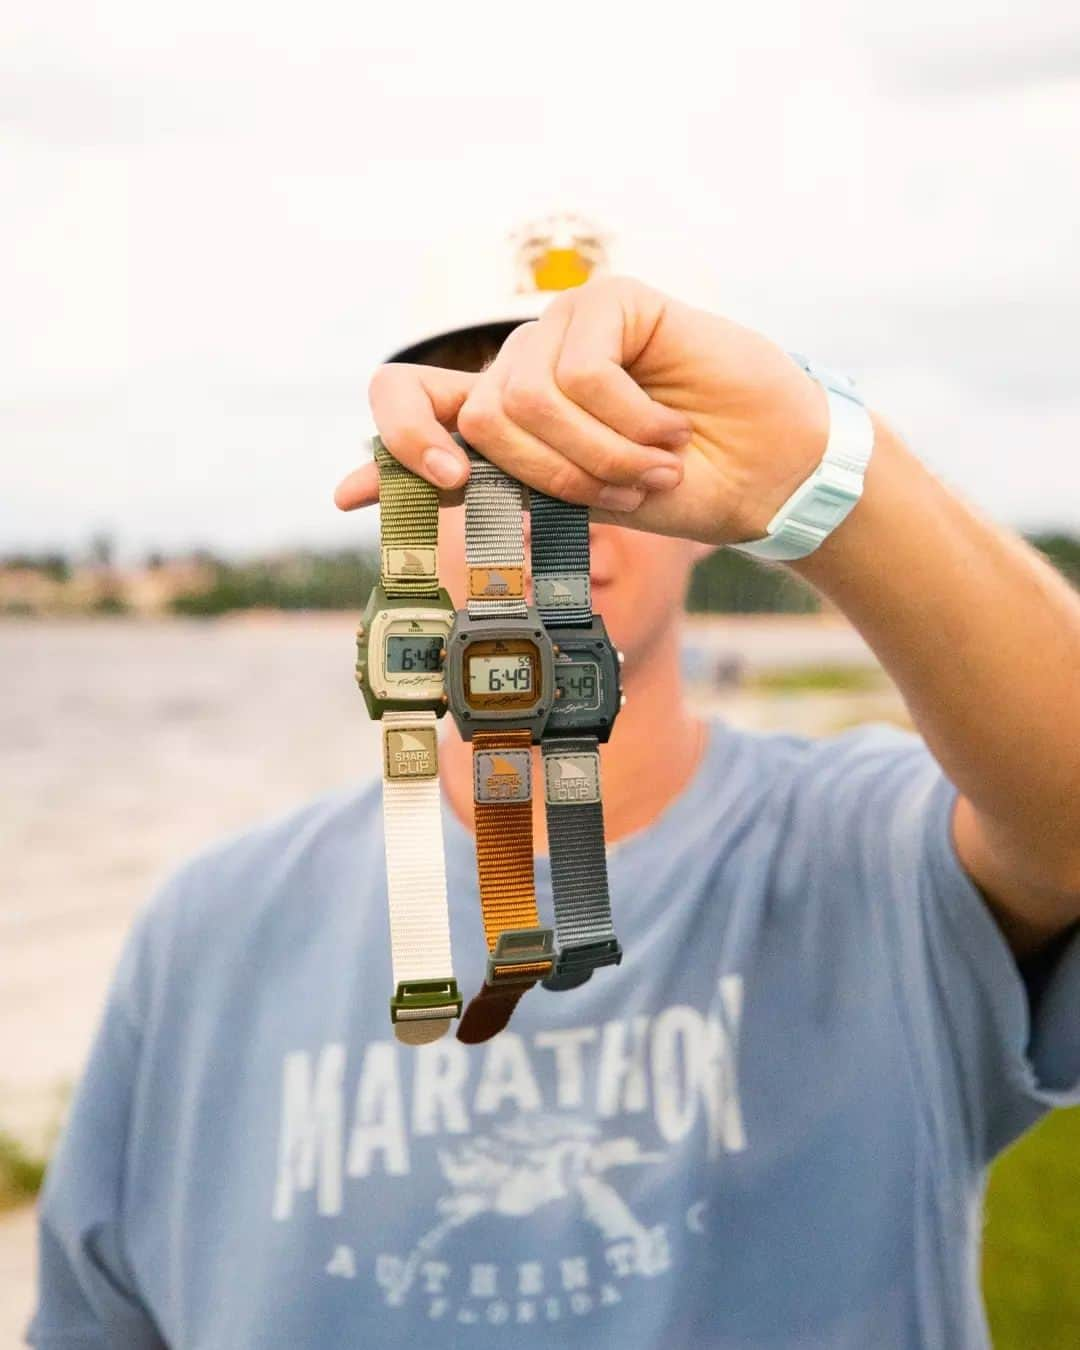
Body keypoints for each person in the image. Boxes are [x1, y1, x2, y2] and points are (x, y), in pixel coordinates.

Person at [29, 274, 1080, 1349]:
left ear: (700, 514)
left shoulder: (872, 859)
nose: (529, 517)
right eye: (475, 462)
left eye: (593, 456)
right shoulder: (210, 928)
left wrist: (822, 469)